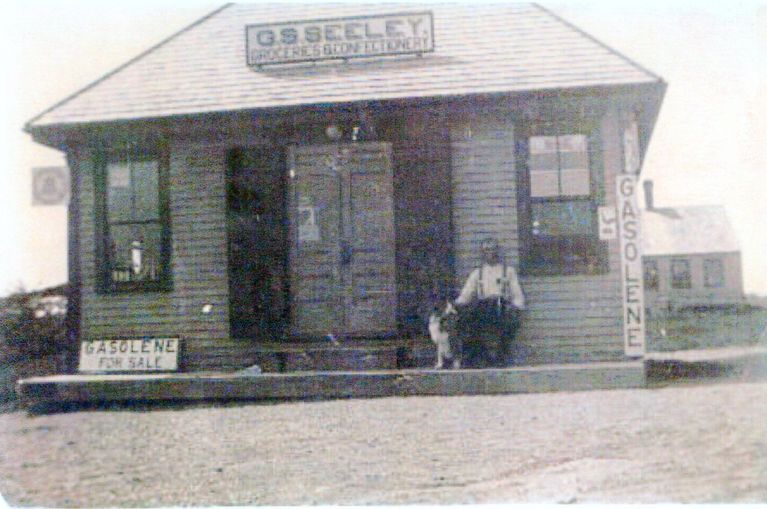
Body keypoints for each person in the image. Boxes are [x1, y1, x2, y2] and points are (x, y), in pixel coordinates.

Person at [454, 238, 525, 367]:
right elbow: (465, 296)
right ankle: (479, 357)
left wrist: (516, 307)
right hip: (483, 309)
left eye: (493, 249)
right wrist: (455, 306)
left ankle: (501, 357)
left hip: (501, 308)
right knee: (466, 321)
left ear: (497, 251)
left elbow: (517, 294)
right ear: (482, 253)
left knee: (511, 321)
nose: (490, 253)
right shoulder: (477, 273)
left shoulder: (508, 271)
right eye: (486, 250)